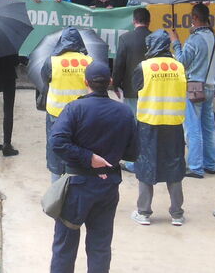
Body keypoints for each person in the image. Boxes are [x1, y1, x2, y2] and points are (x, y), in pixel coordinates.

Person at [49, 61, 138, 273]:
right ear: (110, 82)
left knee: (65, 244)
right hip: (107, 188)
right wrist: (109, 156)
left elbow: (57, 142)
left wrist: (87, 157)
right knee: (100, 245)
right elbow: (133, 153)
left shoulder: (75, 109)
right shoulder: (124, 112)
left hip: (77, 188)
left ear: (85, 82)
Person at [130, 30, 187, 226]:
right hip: (174, 125)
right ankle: (177, 213)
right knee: (174, 165)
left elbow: (136, 87)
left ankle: (144, 212)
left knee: (147, 165)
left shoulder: (144, 67)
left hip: (149, 125)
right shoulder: (179, 67)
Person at [168, 3, 215, 179]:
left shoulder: (194, 39)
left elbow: (182, 61)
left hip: (194, 86)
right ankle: (210, 163)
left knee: (193, 127)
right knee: (208, 127)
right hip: (210, 85)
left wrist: (175, 42)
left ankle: (195, 166)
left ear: (195, 18)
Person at [40, 27, 93, 180]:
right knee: (79, 154)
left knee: (56, 154)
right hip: (81, 118)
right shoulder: (88, 62)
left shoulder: (52, 62)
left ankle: (56, 197)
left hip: (56, 116)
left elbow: (45, 81)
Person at [111, 7, 151, 114]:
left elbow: (119, 65)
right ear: (149, 21)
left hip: (131, 89)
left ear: (134, 21)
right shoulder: (155, 38)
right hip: (152, 89)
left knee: (132, 121)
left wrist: (115, 84)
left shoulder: (125, 38)